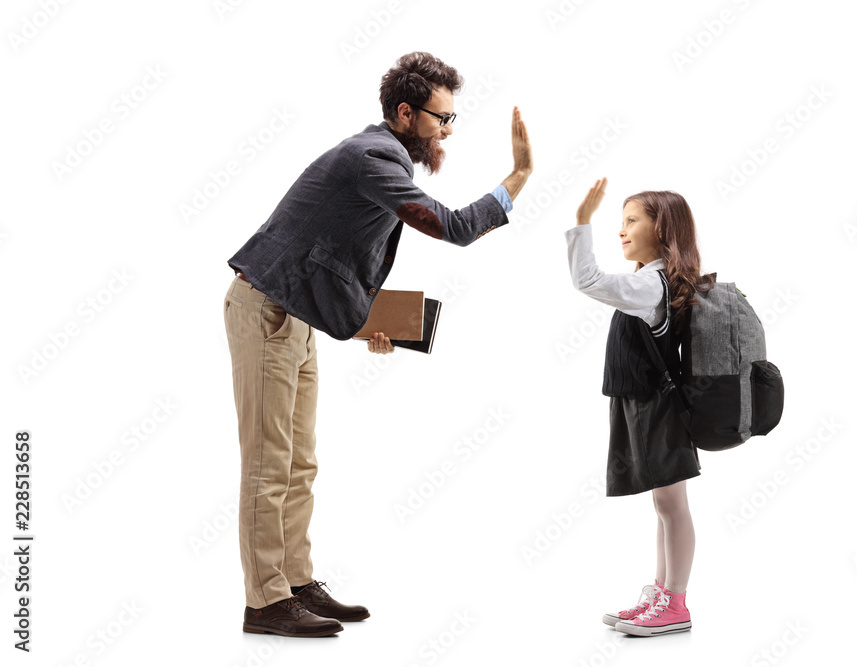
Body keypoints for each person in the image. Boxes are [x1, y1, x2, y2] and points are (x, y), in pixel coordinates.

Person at [223, 51, 533, 637]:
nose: (447, 130)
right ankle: (264, 603)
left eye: (451, 118)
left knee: (299, 463)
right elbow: (454, 227)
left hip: (294, 316)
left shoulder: (382, 159)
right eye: (441, 118)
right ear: (404, 112)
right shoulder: (373, 158)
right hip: (266, 312)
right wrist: (517, 178)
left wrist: (365, 319)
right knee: (268, 464)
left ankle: (292, 581)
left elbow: (327, 255)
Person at [566, 177, 714, 637]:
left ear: (662, 228)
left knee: (671, 504)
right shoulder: (649, 281)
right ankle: (662, 593)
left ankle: (676, 604)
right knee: (664, 505)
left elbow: (586, 279)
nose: (622, 230)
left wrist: (581, 223)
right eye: (620, 221)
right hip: (644, 403)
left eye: (632, 220)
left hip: (657, 406)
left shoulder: (652, 284)